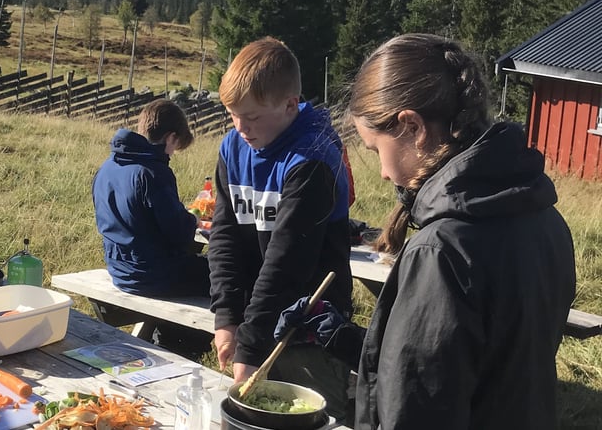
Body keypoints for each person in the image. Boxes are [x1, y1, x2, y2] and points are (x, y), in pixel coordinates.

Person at [275, 33, 577, 430]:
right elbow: (468, 364)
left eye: (375, 149)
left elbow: (417, 405)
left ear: (412, 126)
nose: (382, 173)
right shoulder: (545, 218)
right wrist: (345, 338)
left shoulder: (441, 250)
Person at [207, 37, 353, 422]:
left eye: (252, 117)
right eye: (232, 115)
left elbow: (287, 262)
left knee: (309, 418)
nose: (241, 128)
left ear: (290, 105)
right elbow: (224, 238)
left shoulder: (313, 159)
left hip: (308, 327)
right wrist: (226, 319)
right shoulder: (232, 148)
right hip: (254, 317)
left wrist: (250, 347)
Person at [93, 99, 209, 297]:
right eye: (176, 147)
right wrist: (193, 220)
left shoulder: (107, 167)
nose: (172, 154)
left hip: (119, 269)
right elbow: (179, 234)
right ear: (171, 137)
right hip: (153, 275)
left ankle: (164, 330)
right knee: (232, 274)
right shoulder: (153, 172)